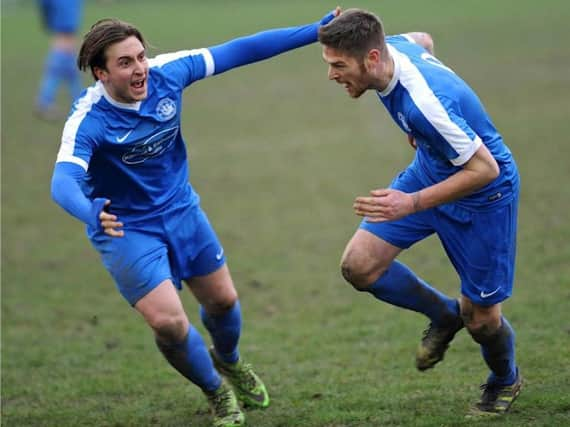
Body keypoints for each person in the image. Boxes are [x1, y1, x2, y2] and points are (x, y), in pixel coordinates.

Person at [51, 10, 337, 427]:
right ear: (100, 73)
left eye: (140, 57)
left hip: (181, 209)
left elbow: (241, 49)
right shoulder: (88, 119)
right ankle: (216, 391)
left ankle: (230, 362)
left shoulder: (168, 73)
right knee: (168, 322)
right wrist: (89, 211)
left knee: (223, 301)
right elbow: (63, 181)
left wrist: (314, 31)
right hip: (125, 226)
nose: (139, 69)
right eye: (125, 63)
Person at [318, 9, 522, 417]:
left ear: (371, 59)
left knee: (481, 321)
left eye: (339, 65)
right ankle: (444, 316)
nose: (332, 75)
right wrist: (431, 138)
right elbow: (424, 38)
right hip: (432, 171)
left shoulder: (426, 105)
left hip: (484, 196)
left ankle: (505, 379)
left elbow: (485, 169)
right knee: (360, 266)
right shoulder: (394, 48)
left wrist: (410, 202)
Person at [35, 0, 84, 120]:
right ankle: (45, 103)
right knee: (60, 68)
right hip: (65, 25)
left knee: (69, 71)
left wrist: (47, 19)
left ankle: (80, 103)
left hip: (65, 24)